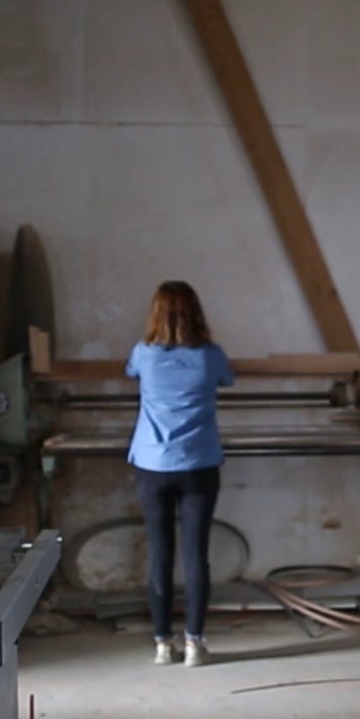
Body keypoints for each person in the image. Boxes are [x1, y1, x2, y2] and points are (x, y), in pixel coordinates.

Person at [126, 281, 234, 666]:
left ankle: (161, 643)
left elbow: (130, 371)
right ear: (196, 313)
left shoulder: (144, 355)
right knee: (195, 555)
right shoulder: (210, 356)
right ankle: (194, 643)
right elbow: (228, 379)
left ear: (156, 314)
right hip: (199, 465)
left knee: (160, 555)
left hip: (152, 465)